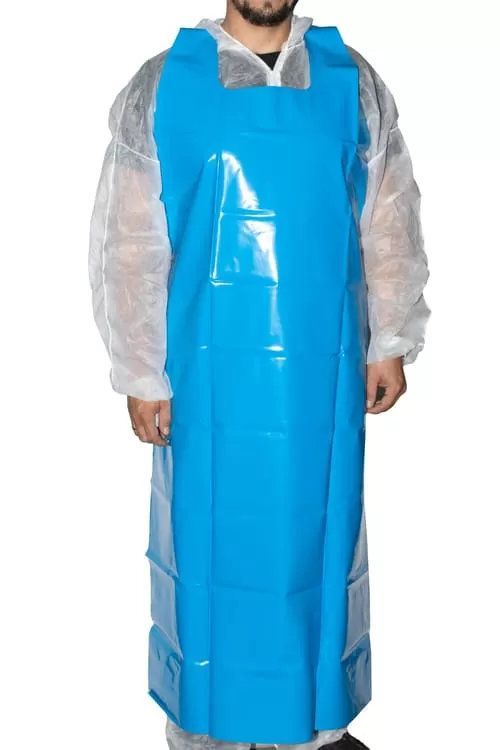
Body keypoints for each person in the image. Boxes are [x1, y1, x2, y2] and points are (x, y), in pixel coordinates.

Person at [89, 2, 430, 749]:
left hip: (321, 372)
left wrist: (391, 335)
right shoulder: (165, 84)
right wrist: (141, 369)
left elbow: (386, 214)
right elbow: (130, 236)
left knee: (318, 536)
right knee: (209, 542)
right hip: (206, 376)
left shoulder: (350, 80)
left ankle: (312, 731)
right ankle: (210, 729)